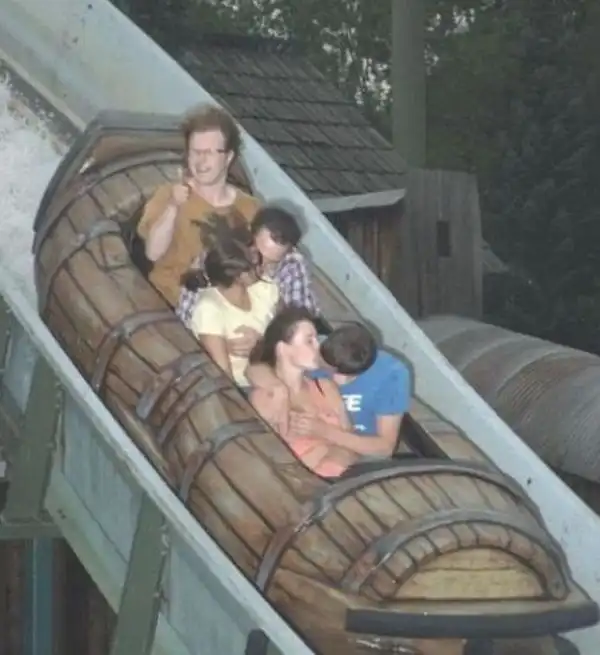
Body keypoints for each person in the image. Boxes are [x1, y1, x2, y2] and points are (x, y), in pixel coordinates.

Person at [136, 104, 260, 307]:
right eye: (195, 152)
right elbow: (152, 253)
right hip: (172, 302)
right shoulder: (168, 195)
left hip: (228, 309)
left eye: (209, 153)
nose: (201, 161)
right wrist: (173, 207)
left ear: (228, 157)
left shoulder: (251, 208)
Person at [246, 321, 411, 456]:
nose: (338, 381)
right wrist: (276, 387)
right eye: (329, 370)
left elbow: (385, 449)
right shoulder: (319, 350)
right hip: (309, 447)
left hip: (361, 452)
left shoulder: (391, 373)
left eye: (349, 376)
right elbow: (255, 368)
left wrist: (325, 431)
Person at [249, 307, 358, 478]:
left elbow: (352, 443)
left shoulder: (325, 387)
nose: (318, 346)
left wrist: (325, 439)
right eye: (309, 341)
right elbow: (269, 464)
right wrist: (326, 449)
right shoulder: (264, 398)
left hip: (345, 480)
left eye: (316, 339)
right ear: (282, 349)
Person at [176, 204, 320, 326]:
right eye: (257, 253)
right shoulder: (220, 252)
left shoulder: (292, 263)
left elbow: (299, 318)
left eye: (272, 262)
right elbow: (186, 313)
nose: (260, 266)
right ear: (249, 234)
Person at [188, 235, 279, 390]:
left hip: (275, 371)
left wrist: (261, 344)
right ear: (240, 277)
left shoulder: (265, 288)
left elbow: (286, 332)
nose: (261, 268)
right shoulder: (209, 309)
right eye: (254, 266)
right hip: (243, 386)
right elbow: (223, 376)